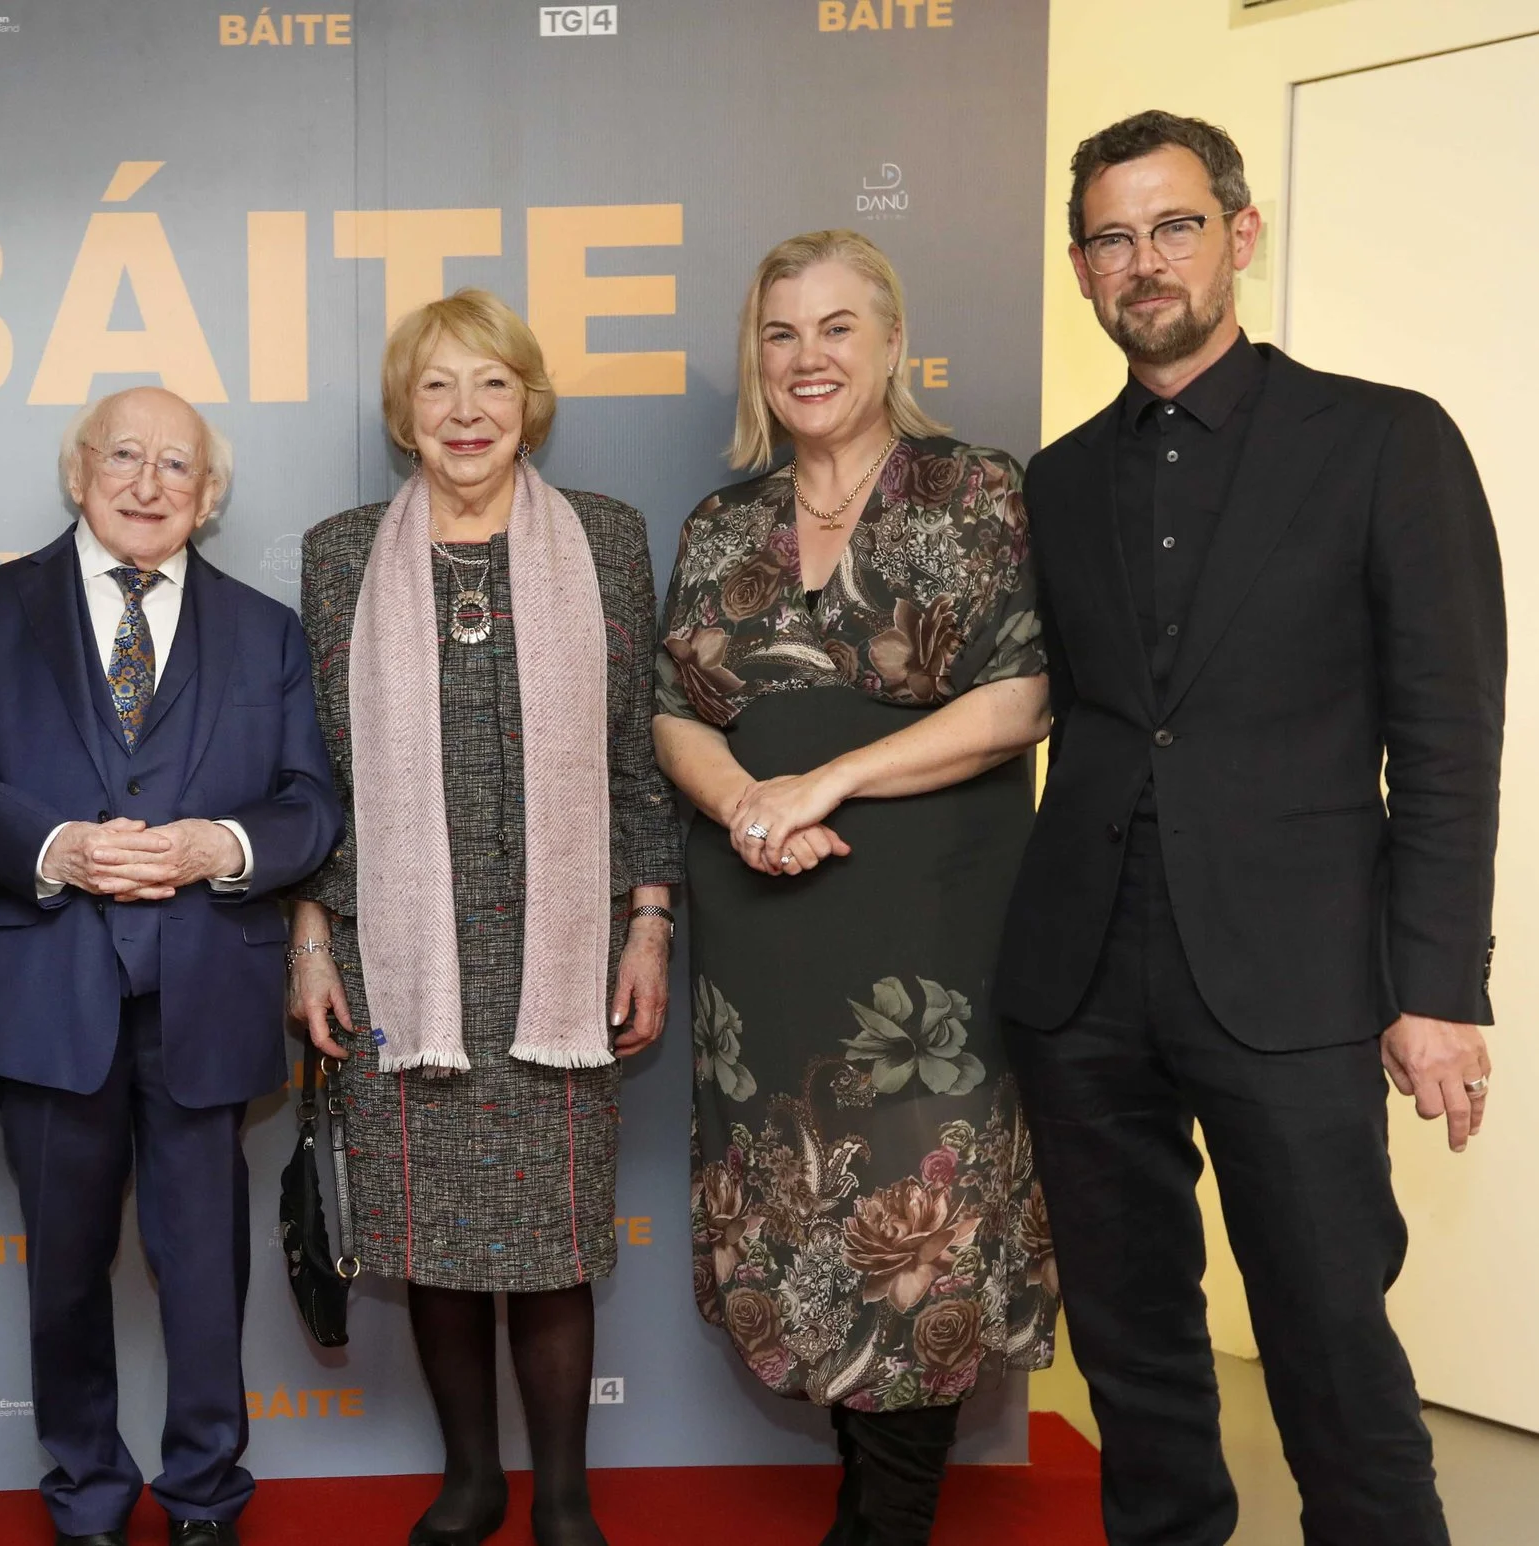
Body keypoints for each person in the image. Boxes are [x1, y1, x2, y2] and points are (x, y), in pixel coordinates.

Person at [1001, 111, 1504, 1546]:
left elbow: (1452, 739)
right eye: (1111, 237)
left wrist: (1435, 991)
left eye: (1172, 226)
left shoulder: (1387, 442)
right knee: (1132, 1348)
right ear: (1083, 270)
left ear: (1240, 234)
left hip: (1298, 975)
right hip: (1081, 976)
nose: (1143, 262)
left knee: (1332, 1342)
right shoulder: (1059, 476)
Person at [650, 231, 1056, 1545]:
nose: (807, 357)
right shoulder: (724, 524)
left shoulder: (970, 488)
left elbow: (1021, 695)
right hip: (762, 947)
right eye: (780, 332)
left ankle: (889, 1522)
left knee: (915, 1228)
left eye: (836, 327)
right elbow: (674, 712)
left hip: (928, 951)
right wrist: (742, 804)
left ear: (891, 342)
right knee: (807, 1230)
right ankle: (862, 1498)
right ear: (753, 358)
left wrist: (826, 781)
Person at [290, 288, 681, 1546]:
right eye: (438, 388)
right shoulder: (341, 554)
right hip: (400, 949)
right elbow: (314, 775)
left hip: (558, 951)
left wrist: (648, 921)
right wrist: (309, 937)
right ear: (406, 414)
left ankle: (561, 1493)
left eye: (492, 385)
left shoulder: (610, 542)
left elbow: (636, 757)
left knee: (551, 1237)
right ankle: (471, 1481)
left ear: (531, 404)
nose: (466, 413)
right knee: (435, 1236)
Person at [0, 387, 337, 1546]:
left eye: (177, 465)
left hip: (207, 993)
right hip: (50, 996)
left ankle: (206, 1497)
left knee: (206, 1278)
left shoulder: (267, 631)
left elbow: (310, 805)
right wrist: (58, 847)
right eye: (124, 456)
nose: (148, 482)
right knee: (60, 1278)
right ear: (78, 471)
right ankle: (87, 1497)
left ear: (208, 495)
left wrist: (224, 846)